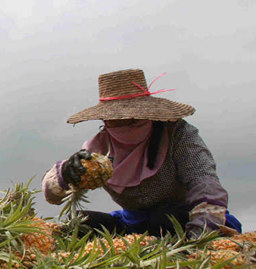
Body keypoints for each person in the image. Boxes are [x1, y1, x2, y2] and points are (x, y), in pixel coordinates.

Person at [42, 68, 241, 238]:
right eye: (116, 120)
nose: (125, 125)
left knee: (164, 218)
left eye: (133, 119)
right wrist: (66, 173)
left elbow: (205, 183)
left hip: (182, 219)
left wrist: (198, 237)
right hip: (132, 226)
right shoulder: (101, 146)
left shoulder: (177, 135)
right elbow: (53, 195)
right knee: (78, 223)